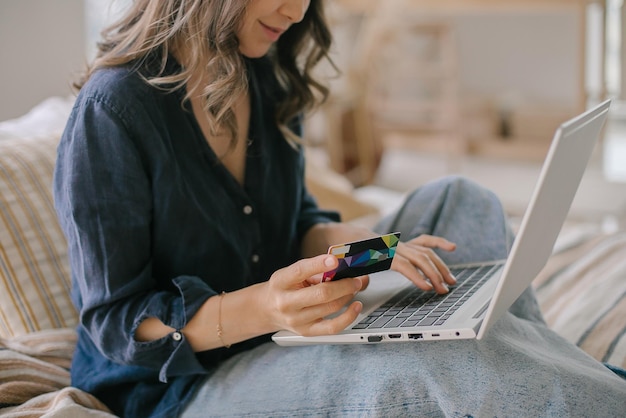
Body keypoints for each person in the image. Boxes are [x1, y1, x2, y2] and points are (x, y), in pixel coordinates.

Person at [53, 0, 626, 417]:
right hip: (181, 387)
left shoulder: (265, 71)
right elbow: (115, 320)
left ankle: (560, 381)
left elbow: (297, 223)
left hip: (285, 330)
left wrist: (376, 253)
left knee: (462, 202)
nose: (298, 10)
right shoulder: (113, 111)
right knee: (426, 357)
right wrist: (268, 309)